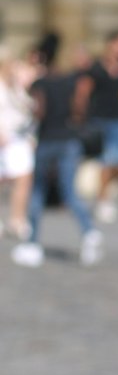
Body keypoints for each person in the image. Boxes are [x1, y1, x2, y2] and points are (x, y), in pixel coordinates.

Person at [12, 37, 102, 268]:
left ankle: (32, 244)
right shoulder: (70, 81)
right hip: (69, 138)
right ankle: (89, 232)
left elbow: (38, 111)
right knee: (69, 191)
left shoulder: (41, 83)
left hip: (48, 139)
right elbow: (79, 109)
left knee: (39, 190)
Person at [88, 30, 118, 223]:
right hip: (101, 118)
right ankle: (103, 200)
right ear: (110, 45)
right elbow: (86, 90)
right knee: (107, 161)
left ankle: (105, 193)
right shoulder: (97, 67)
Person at [0, 46, 36, 242]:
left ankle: (17, 218)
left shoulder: (16, 86)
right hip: (4, 139)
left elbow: (28, 109)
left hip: (20, 137)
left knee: (24, 179)